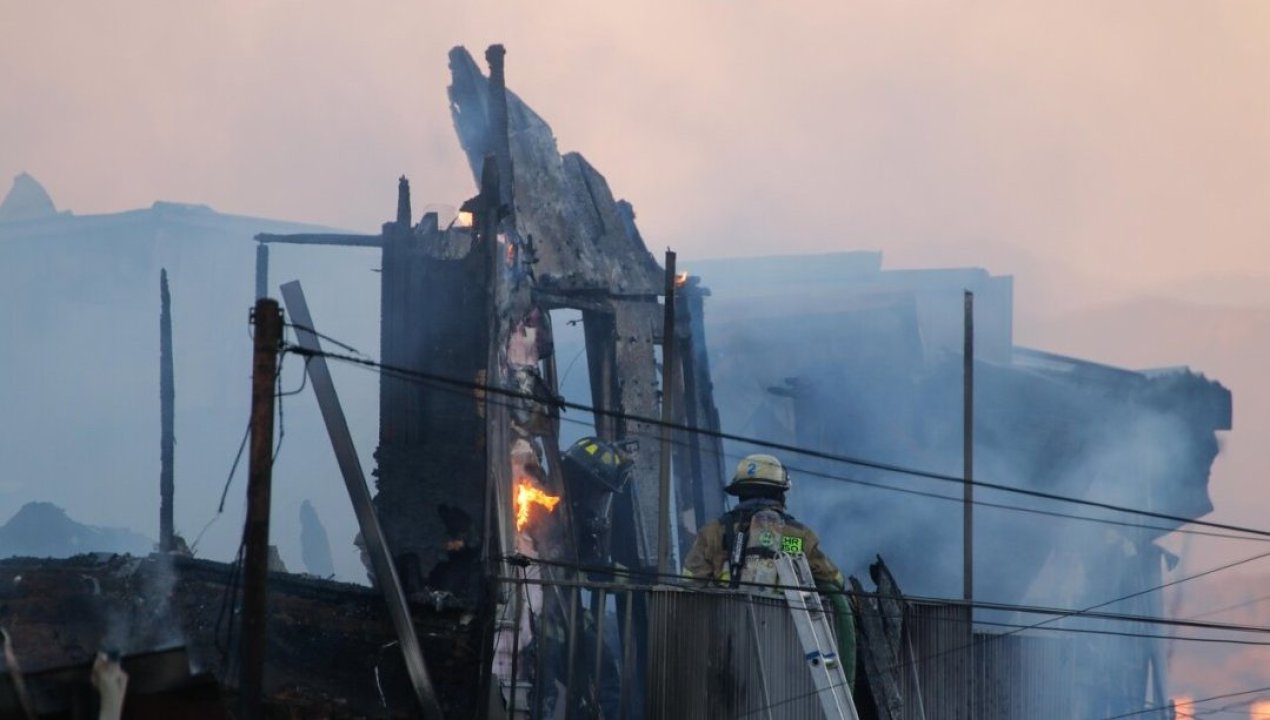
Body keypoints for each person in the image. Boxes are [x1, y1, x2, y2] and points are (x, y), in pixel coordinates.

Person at [682, 453, 856, 689]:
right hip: (787, 643)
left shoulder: (714, 532)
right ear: (779, 493)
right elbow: (832, 579)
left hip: (723, 637)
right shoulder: (795, 536)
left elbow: (689, 582)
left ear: (740, 492)